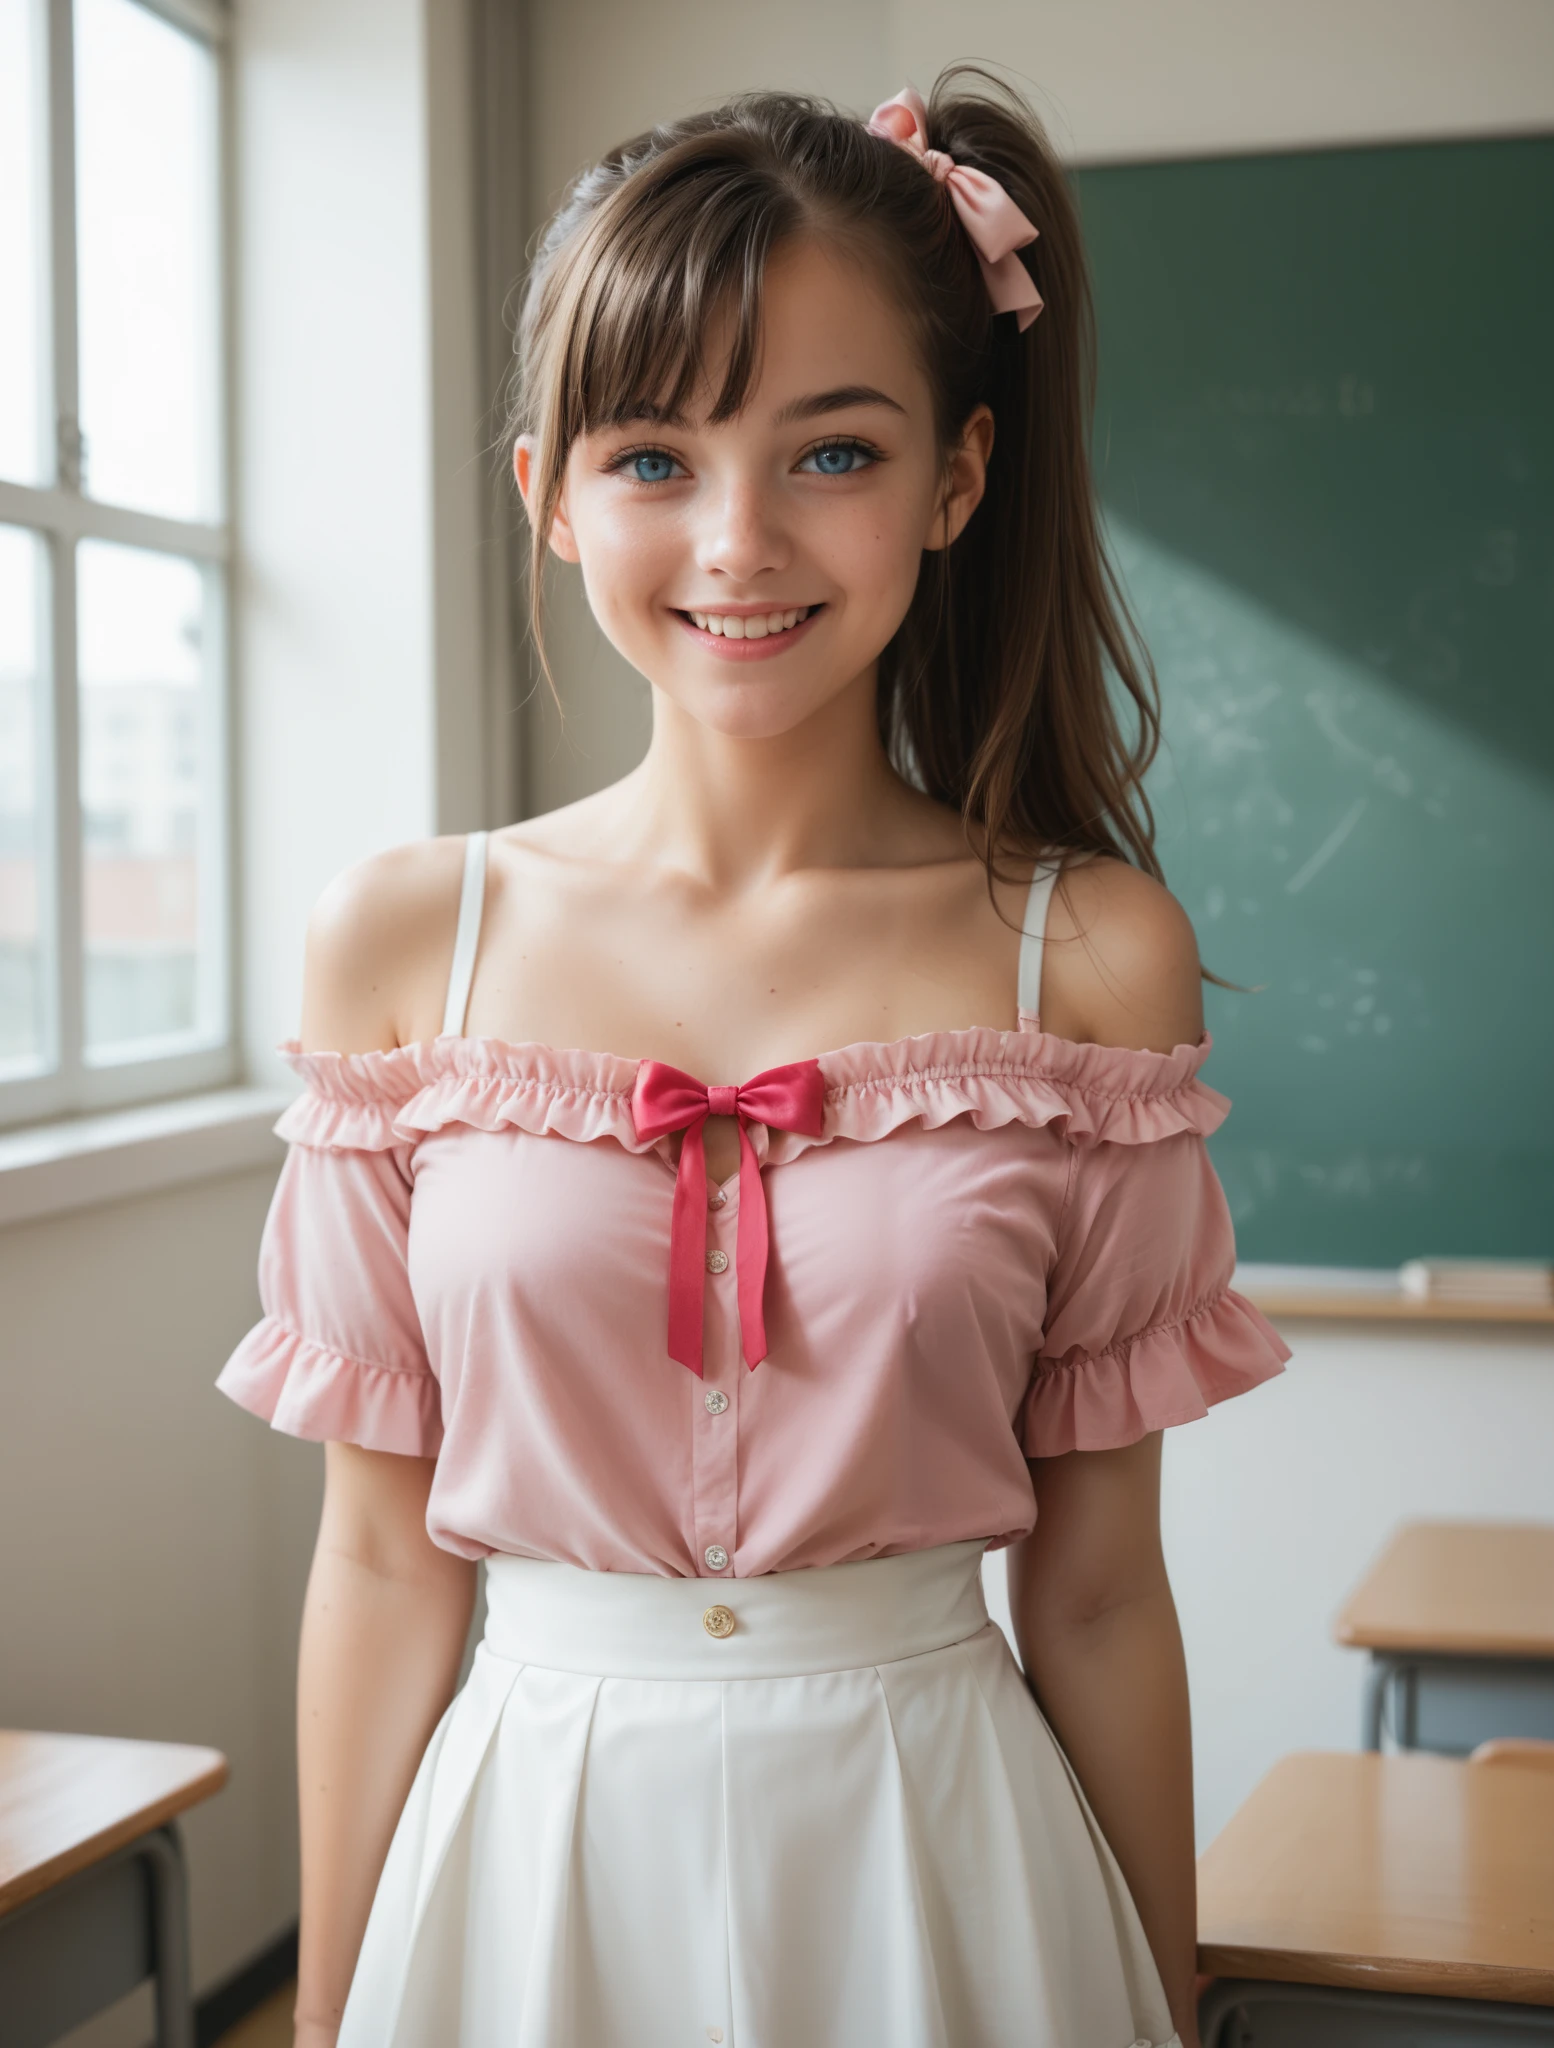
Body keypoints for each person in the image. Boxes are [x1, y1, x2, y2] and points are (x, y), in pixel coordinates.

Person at [218, 71, 1290, 2048]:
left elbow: (1099, 1595)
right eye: (650, 459)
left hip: (937, 1850)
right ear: (545, 489)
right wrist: (333, 2011)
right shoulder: (404, 938)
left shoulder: (1086, 957)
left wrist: (1164, 1995)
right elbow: (375, 1574)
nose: (734, 540)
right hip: (527, 1855)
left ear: (957, 480)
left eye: (831, 452)